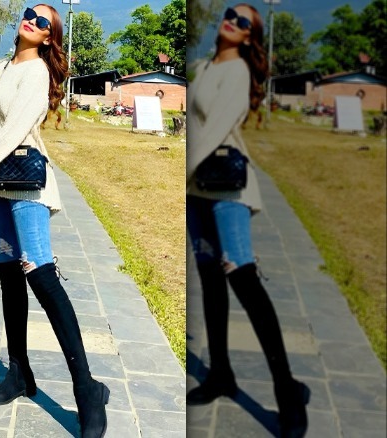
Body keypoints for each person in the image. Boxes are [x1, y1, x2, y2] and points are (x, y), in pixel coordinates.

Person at [0, 5, 108, 438]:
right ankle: (20, 374)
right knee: (8, 275)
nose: (33, 21)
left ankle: (87, 389)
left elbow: (14, 132)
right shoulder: (5, 66)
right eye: (30, 13)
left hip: (24, 184)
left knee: (40, 275)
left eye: (44, 21)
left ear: (49, 37)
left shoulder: (39, 72)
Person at [185, 4, 309, 437]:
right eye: (230, 15)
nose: (232, 22)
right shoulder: (201, 65)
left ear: (250, 37)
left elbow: (216, 127)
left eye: (244, 23)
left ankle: (287, 392)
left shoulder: (237, 70)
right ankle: (220, 373)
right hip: (196, 191)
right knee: (211, 281)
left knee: (244, 278)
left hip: (226, 190)